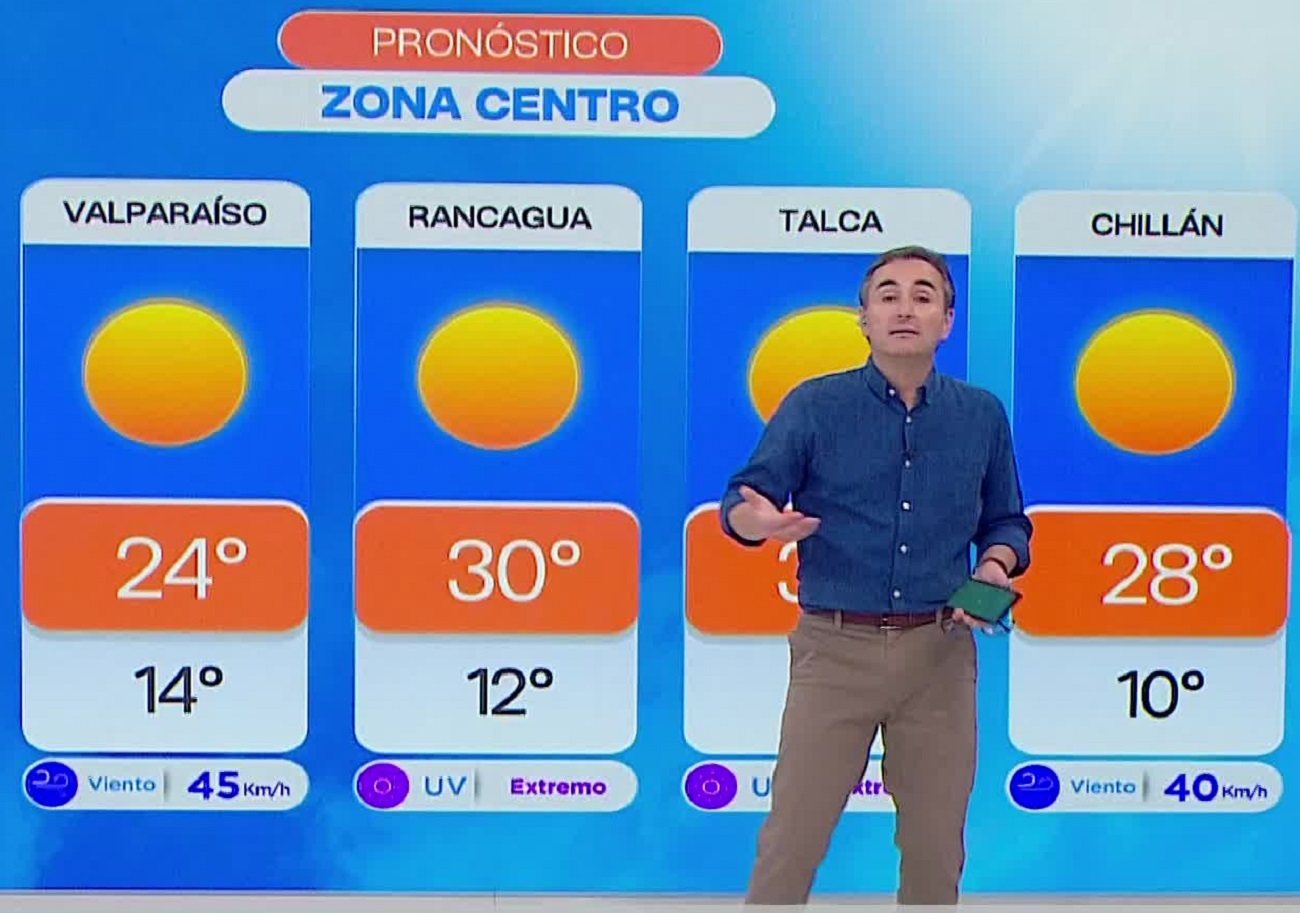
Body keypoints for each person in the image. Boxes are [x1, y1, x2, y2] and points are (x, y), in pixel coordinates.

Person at [719, 245, 1033, 906]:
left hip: (940, 655)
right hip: (834, 651)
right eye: (887, 295)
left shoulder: (981, 415)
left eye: (923, 295)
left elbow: (1007, 521)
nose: (904, 308)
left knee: (935, 852)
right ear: (864, 317)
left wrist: (994, 567)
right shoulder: (815, 406)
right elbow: (742, 502)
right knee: (792, 842)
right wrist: (760, 521)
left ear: (947, 320)